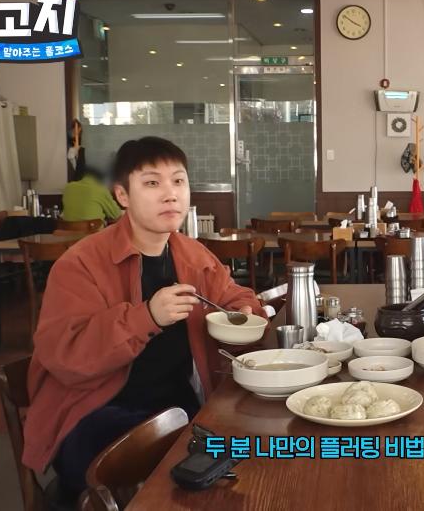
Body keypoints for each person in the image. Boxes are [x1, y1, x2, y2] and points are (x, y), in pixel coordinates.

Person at [21, 136, 267, 500]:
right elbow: (66, 355)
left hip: (177, 410)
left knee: (255, 446)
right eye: (152, 183)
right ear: (122, 196)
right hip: (92, 414)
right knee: (198, 461)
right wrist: (148, 316)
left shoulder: (191, 254)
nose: (170, 194)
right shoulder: (81, 263)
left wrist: (244, 312)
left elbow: (235, 296)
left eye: (178, 181)